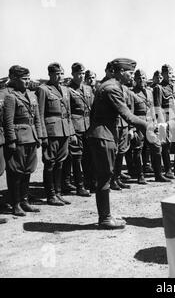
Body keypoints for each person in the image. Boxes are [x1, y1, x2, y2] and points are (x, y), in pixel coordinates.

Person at [86, 58, 154, 229]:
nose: (132, 76)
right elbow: (128, 116)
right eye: (130, 73)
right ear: (121, 72)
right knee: (104, 177)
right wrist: (149, 126)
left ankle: (106, 215)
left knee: (106, 176)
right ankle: (105, 218)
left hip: (103, 134)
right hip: (103, 135)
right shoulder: (112, 89)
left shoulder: (107, 85)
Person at [3, 65, 42, 216]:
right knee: (16, 173)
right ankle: (15, 203)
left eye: (28, 79)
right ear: (15, 79)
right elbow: (8, 121)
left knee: (28, 171)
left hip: (31, 137)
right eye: (24, 79)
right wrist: (11, 140)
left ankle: (25, 200)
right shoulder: (11, 97)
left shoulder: (32, 95)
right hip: (19, 139)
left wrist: (38, 136)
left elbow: (37, 118)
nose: (27, 82)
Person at [37, 63, 76, 206]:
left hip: (64, 130)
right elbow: (39, 114)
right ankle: (50, 195)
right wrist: (43, 135)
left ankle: (58, 193)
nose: (60, 77)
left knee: (60, 162)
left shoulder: (66, 90)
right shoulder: (43, 89)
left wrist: (71, 132)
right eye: (57, 74)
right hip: (51, 131)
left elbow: (68, 113)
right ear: (50, 75)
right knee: (50, 163)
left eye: (61, 74)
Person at [129, 69, 170, 183]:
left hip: (151, 123)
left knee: (156, 147)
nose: (141, 80)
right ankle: (140, 175)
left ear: (147, 79)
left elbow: (153, 108)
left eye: (143, 77)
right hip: (139, 124)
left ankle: (158, 175)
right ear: (135, 80)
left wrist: (156, 121)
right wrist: (132, 129)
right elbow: (130, 112)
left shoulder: (150, 91)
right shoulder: (132, 93)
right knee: (138, 150)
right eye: (139, 78)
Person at [62, 63, 93, 197]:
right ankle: (79, 186)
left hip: (88, 126)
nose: (81, 76)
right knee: (76, 157)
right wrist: (71, 131)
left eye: (83, 73)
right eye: (78, 73)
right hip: (76, 126)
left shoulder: (88, 89)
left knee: (88, 156)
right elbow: (67, 112)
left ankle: (89, 182)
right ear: (73, 74)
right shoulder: (68, 90)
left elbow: (92, 107)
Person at [153, 64, 175, 178]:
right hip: (165, 119)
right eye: (167, 73)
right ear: (162, 74)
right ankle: (168, 170)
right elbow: (157, 107)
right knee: (165, 145)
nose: (169, 75)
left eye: (171, 73)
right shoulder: (159, 88)